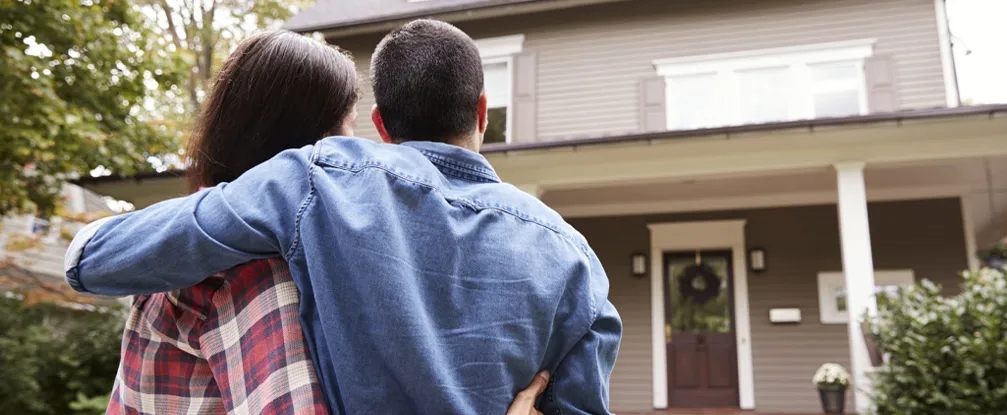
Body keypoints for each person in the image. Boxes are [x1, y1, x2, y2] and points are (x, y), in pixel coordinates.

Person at [66, 19, 621, 414]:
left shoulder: (313, 181)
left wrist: (86, 241)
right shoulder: (578, 261)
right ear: (482, 111)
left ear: (380, 124)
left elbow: (94, 264)